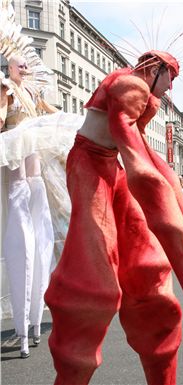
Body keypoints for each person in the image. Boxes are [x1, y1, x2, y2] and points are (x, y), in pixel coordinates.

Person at [45, 50, 183, 385]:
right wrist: (167, 201)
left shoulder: (147, 98)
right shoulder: (129, 85)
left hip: (110, 166)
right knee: (94, 282)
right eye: (170, 75)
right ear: (154, 69)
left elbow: (139, 148)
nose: (171, 85)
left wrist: (171, 194)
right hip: (88, 164)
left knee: (149, 275)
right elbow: (132, 148)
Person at [0, 55, 58, 358]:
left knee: (37, 200)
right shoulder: (5, 88)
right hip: (13, 152)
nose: (25, 69)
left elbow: (49, 114)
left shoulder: (31, 91)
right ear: (9, 67)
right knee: (21, 197)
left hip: (32, 150)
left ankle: (34, 323)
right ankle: (26, 329)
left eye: (26, 66)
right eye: (20, 66)